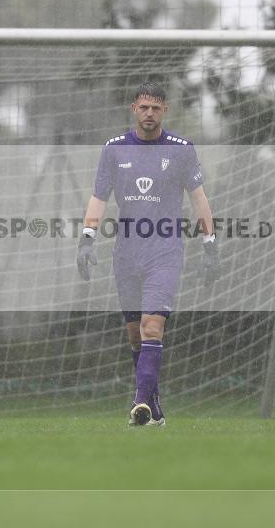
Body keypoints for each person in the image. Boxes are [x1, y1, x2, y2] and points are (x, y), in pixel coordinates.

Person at [77, 82, 219, 427]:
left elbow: (199, 199)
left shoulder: (181, 150)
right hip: (126, 254)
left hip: (165, 252)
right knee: (135, 335)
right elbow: (99, 197)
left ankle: (139, 402)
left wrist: (210, 244)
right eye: (144, 107)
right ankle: (153, 408)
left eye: (156, 108)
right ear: (134, 109)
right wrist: (87, 239)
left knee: (152, 326)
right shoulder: (114, 150)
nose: (149, 113)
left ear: (164, 110)